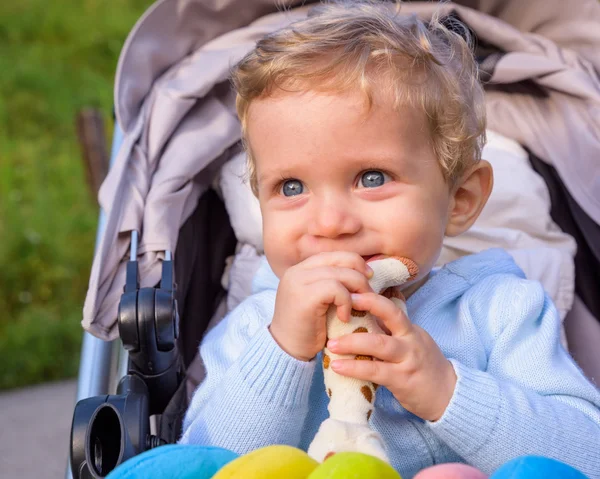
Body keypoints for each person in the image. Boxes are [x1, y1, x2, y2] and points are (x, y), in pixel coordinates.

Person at [179, 1, 600, 477]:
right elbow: (207, 460)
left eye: (372, 177)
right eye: (291, 188)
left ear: (460, 199)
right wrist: (283, 352)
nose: (331, 222)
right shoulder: (256, 326)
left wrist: (448, 390)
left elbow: (587, 454)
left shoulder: (500, 312)